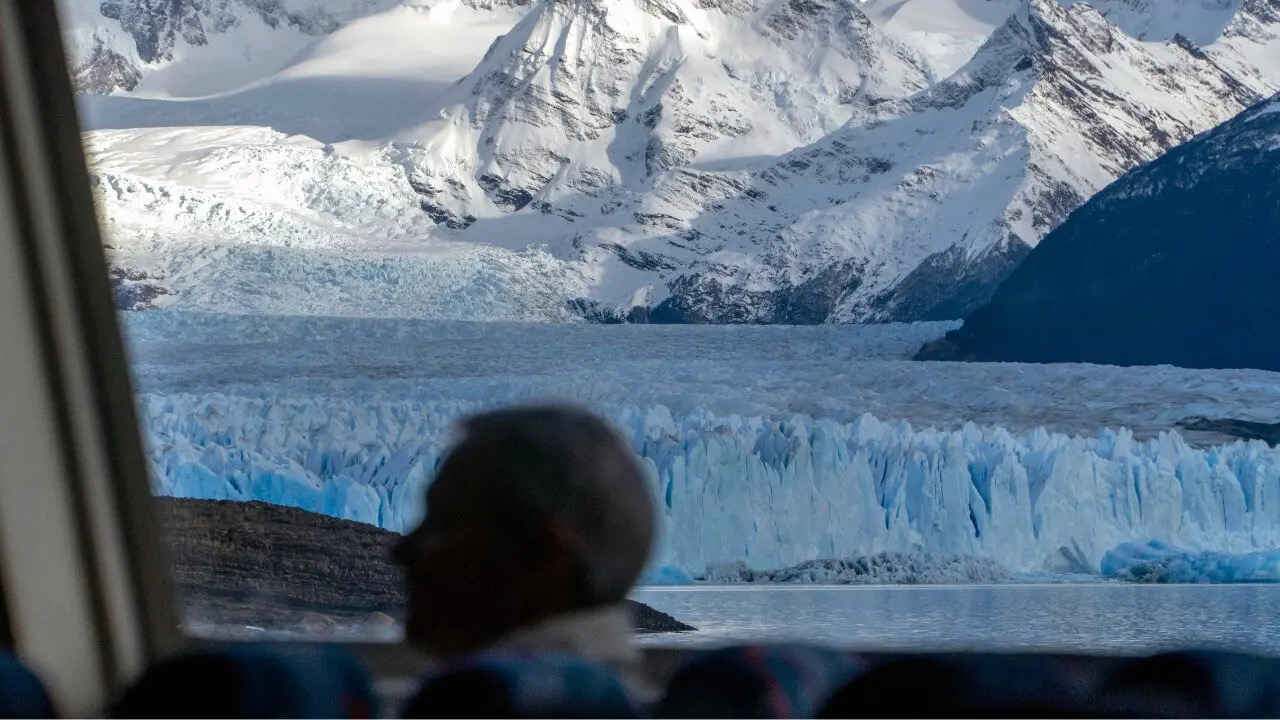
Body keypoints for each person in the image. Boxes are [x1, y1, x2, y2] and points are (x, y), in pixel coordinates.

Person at [392, 405, 657, 700]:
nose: (401, 550)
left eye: (445, 522)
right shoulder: (624, 696)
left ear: (543, 554)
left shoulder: (475, 703)